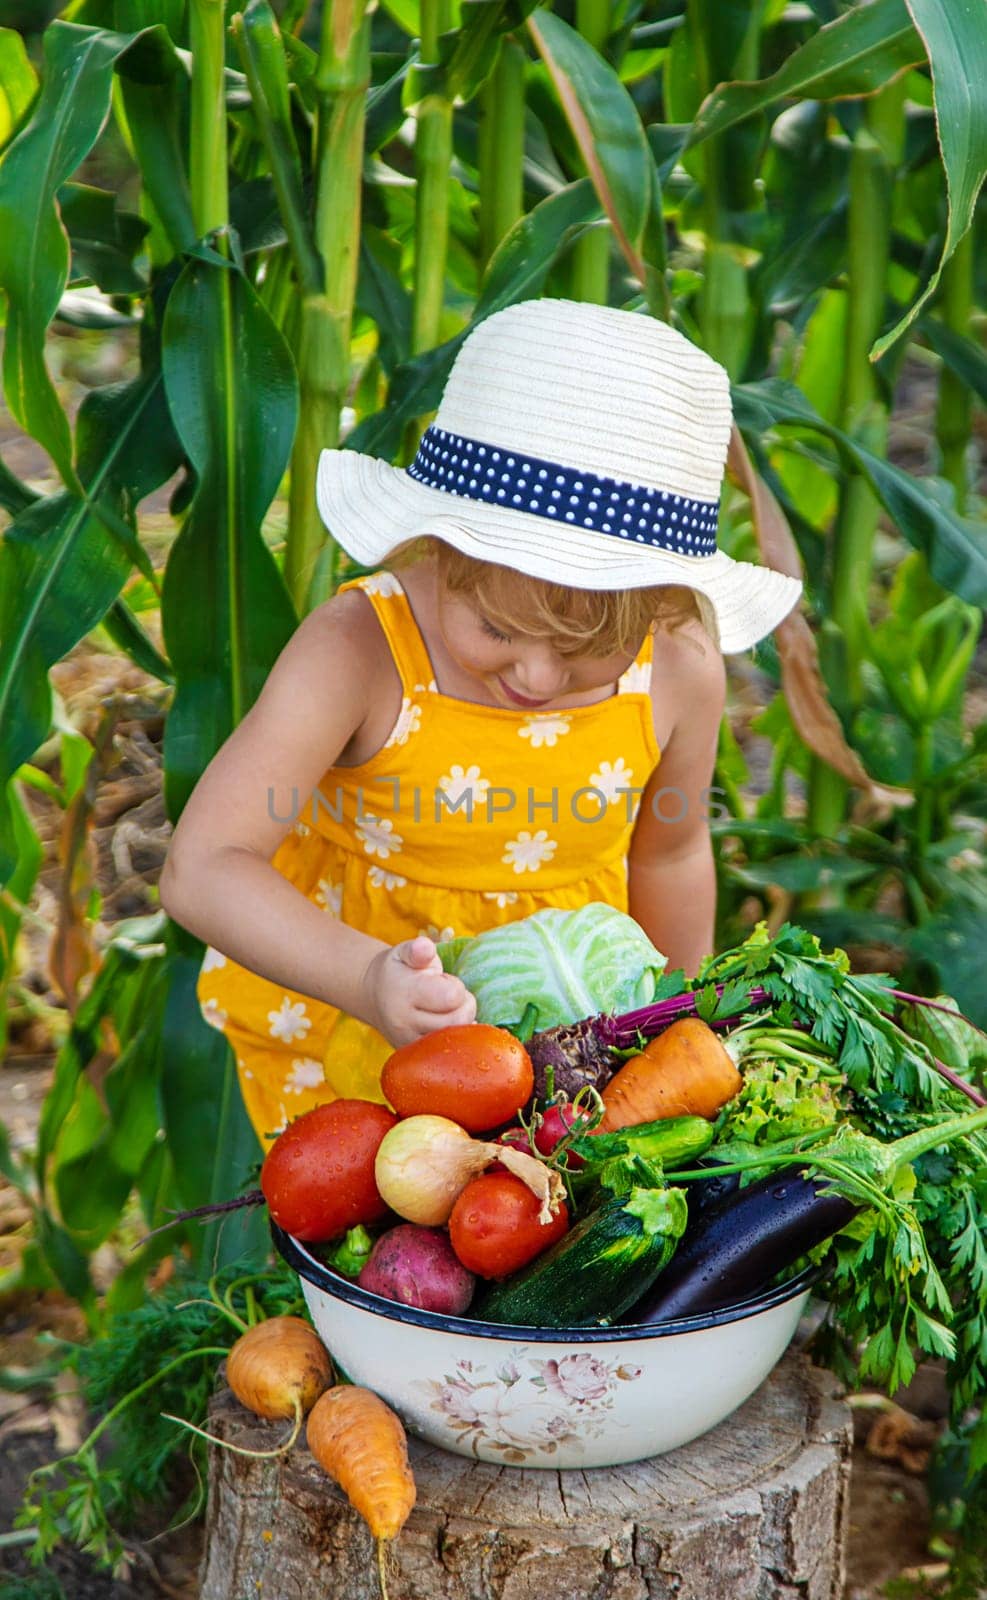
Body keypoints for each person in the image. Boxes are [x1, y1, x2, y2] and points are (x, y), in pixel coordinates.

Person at [160, 298, 802, 1148]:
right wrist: (367, 980)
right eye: (496, 630)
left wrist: (672, 1027)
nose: (535, 676)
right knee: (368, 1246)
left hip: (573, 1042)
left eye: (586, 648)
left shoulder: (678, 667)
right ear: (438, 551)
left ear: (659, 600)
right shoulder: (362, 651)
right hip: (358, 1029)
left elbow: (671, 849)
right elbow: (205, 866)